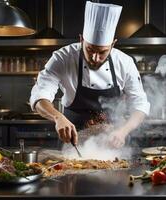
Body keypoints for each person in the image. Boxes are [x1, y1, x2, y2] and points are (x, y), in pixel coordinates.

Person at [30, 1, 150, 148]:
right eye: (90, 50)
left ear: (113, 44)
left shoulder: (125, 62)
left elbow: (140, 105)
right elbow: (39, 97)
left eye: (102, 52)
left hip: (112, 141)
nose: (95, 58)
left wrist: (123, 131)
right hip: (73, 141)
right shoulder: (62, 58)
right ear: (81, 40)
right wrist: (58, 117)